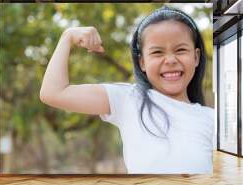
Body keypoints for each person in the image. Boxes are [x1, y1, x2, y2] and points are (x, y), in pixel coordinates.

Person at [40, 6, 214, 174]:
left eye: (181, 50)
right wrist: (67, 37)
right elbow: (53, 93)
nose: (170, 60)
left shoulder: (213, 119)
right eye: (157, 52)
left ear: (196, 57)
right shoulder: (129, 99)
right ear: (142, 62)